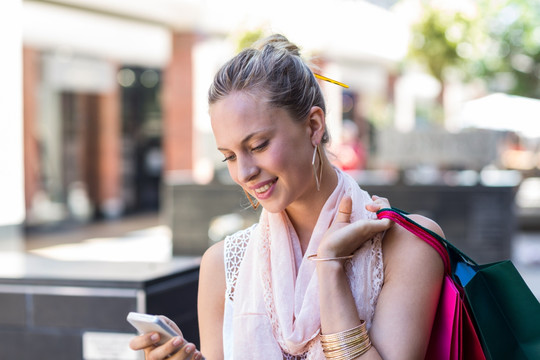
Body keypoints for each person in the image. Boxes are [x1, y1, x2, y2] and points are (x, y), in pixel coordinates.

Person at [130, 34, 444, 360]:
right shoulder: (222, 267)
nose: (244, 173)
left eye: (258, 145)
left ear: (313, 126)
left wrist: (331, 268)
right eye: (230, 156)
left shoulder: (407, 245)